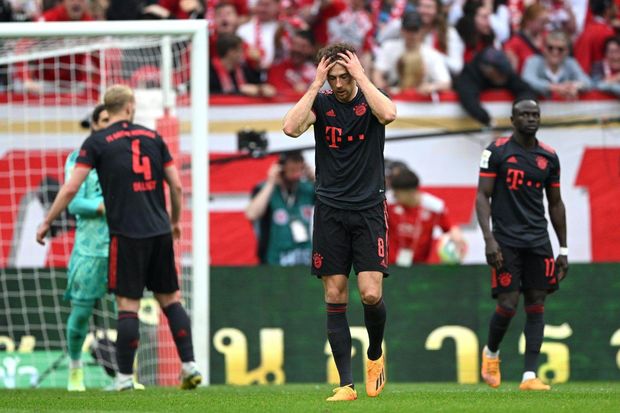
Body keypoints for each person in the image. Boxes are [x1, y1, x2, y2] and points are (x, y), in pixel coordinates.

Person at [36, 85, 202, 391]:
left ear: (107, 109)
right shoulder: (153, 137)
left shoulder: (97, 143)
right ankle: (190, 365)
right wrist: (175, 221)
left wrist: (47, 221)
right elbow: (177, 186)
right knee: (171, 301)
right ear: (129, 106)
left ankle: (124, 378)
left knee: (128, 306)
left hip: (126, 235)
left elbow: (70, 189)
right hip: (158, 231)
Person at [282, 42, 396, 401]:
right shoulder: (321, 101)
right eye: (332, 78)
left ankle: (374, 354)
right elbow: (290, 128)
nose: (339, 84)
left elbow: (389, 114)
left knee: (371, 293)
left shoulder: (371, 101)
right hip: (330, 210)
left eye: (344, 77)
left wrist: (362, 75)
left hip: (368, 209)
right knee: (334, 293)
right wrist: (315, 85)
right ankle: (346, 384)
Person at [476, 98, 568, 391]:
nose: (531, 119)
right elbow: (482, 196)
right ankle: (491, 353)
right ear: (513, 120)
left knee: (537, 302)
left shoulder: (549, 157)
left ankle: (529, 376)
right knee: (508, 302)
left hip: (538, 240)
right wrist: (489, 239)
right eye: (524, 114)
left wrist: (563, 249)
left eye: (535, 114)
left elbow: (556, 203)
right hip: (506, 240)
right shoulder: (496, 151)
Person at [64, 104, 110, 392]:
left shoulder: (129, 158)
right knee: (81, 313)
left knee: (128, 311)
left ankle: (126, 375)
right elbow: (74, 203)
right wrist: (104, 206)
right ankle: (75, 369)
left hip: (124, 244)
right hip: (90, 248)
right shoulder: (78, 158)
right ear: (93, 123)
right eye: (104, 120)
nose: (110, 125)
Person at [245, 151, 315, 266]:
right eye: (292, 169)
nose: (296, 174)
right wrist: (271, 183)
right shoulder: (265, 189)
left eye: (299, 169)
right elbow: (251, 214)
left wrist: (316, 180)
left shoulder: (307, 189)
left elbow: (334, 205)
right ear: (281, 168)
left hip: (304, 259)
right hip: (274, 261)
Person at [387, 168, 466, 265]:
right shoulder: (388, 203)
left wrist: (457, 237)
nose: (394, 196)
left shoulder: (434, 207)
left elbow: (451, 228)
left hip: (420, 266)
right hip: (390, 265)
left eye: (397, 194)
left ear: (411, 192)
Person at [453, 46, 536, 128]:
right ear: (486, 70)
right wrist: (487, 119)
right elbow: (468, 97)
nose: (504, 77)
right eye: (500, 73)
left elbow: (526, 90)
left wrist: (521, 110)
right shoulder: (470, 74)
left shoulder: (507, 75)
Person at [522, 30, 592, 99]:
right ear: (543, 48)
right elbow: (527, 79)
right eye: (550, 48)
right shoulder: (534, 61)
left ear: (567, 51)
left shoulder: (570, 63)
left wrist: (573, 86)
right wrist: (554, 87)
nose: (555, 52)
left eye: (560, 49)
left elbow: (587, 82)